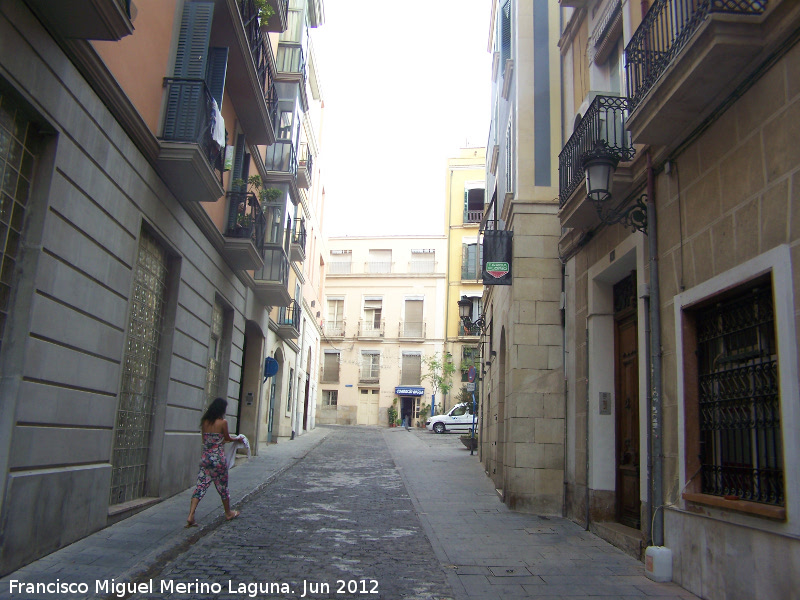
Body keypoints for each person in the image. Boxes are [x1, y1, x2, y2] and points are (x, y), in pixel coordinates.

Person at [185, 397, 243, 527]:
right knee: (222, 487)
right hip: (218, 460)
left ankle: (191, 515)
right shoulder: (223, 422)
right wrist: (236, 439)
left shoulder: (205, 422)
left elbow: (205, 441)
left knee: (200, 486)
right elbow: (227, 438)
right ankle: (228, 512)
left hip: (206, 459)